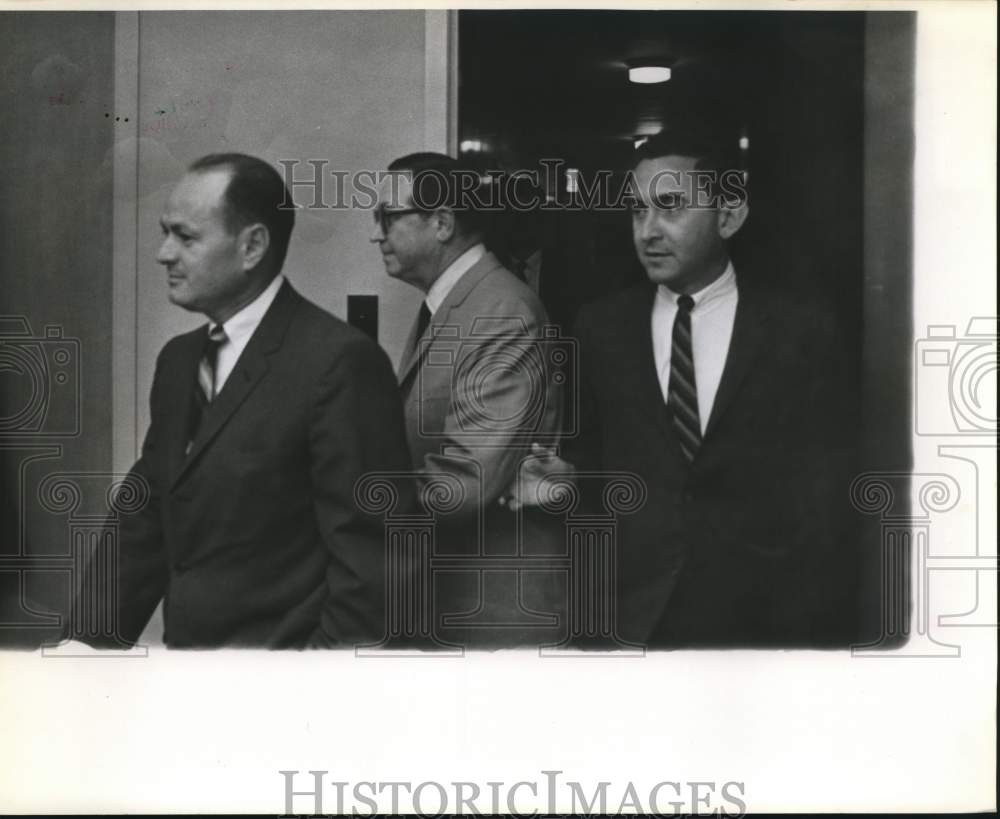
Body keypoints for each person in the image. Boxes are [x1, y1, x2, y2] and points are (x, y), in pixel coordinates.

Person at [512, 127, 859, 648]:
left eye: (671, 207)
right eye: (637, 210)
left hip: (759, 622)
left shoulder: (800, 328)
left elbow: (825, 487)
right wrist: (567, 482)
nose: (648, 230)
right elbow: (602, 467)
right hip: (630, 615)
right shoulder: (600, 326)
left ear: (729, 215)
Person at [72, 153, 412, 648]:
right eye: (166, 233)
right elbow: (143, 519)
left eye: (185, 237)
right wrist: (83, 647)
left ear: (252, 245)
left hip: (285, 696)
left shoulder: (338, 363)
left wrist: (311, 691)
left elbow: (374, 566)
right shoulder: (178, 361)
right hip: (192, 679)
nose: (164, 254)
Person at [370, 152, 564, 646]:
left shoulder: (500, 309)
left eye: (388, 217)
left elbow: (468, 480)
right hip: (459, 592)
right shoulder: (458, 302)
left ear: (441, 222)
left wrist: (346, 496)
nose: (377, 234)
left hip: (495, 602)